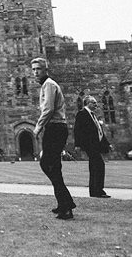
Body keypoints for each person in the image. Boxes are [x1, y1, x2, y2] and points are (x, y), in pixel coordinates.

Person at [31, 58, 75, 220]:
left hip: (55, 128)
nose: (35, 72)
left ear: (45, 70)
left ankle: (67, 206)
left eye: (38, 69)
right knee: (53, 166)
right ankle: (64, 204)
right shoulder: (46, 85)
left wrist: (37, 127)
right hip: (55, 128)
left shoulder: (49, 84)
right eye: (34, 69)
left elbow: (48, 109)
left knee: (48, 164)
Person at [72, 95, 110, 198]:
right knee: (98, 165)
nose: (96, 104)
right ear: (88, 103)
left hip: (96, 145)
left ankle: (95, 191)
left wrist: (106, 143)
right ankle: (98, 190)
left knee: (95, 166)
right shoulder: (82, 114)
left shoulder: (93, 115)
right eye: (94, 103)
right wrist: (78, 145)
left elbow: (99, 131)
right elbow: (77, 130)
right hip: (90, 145)